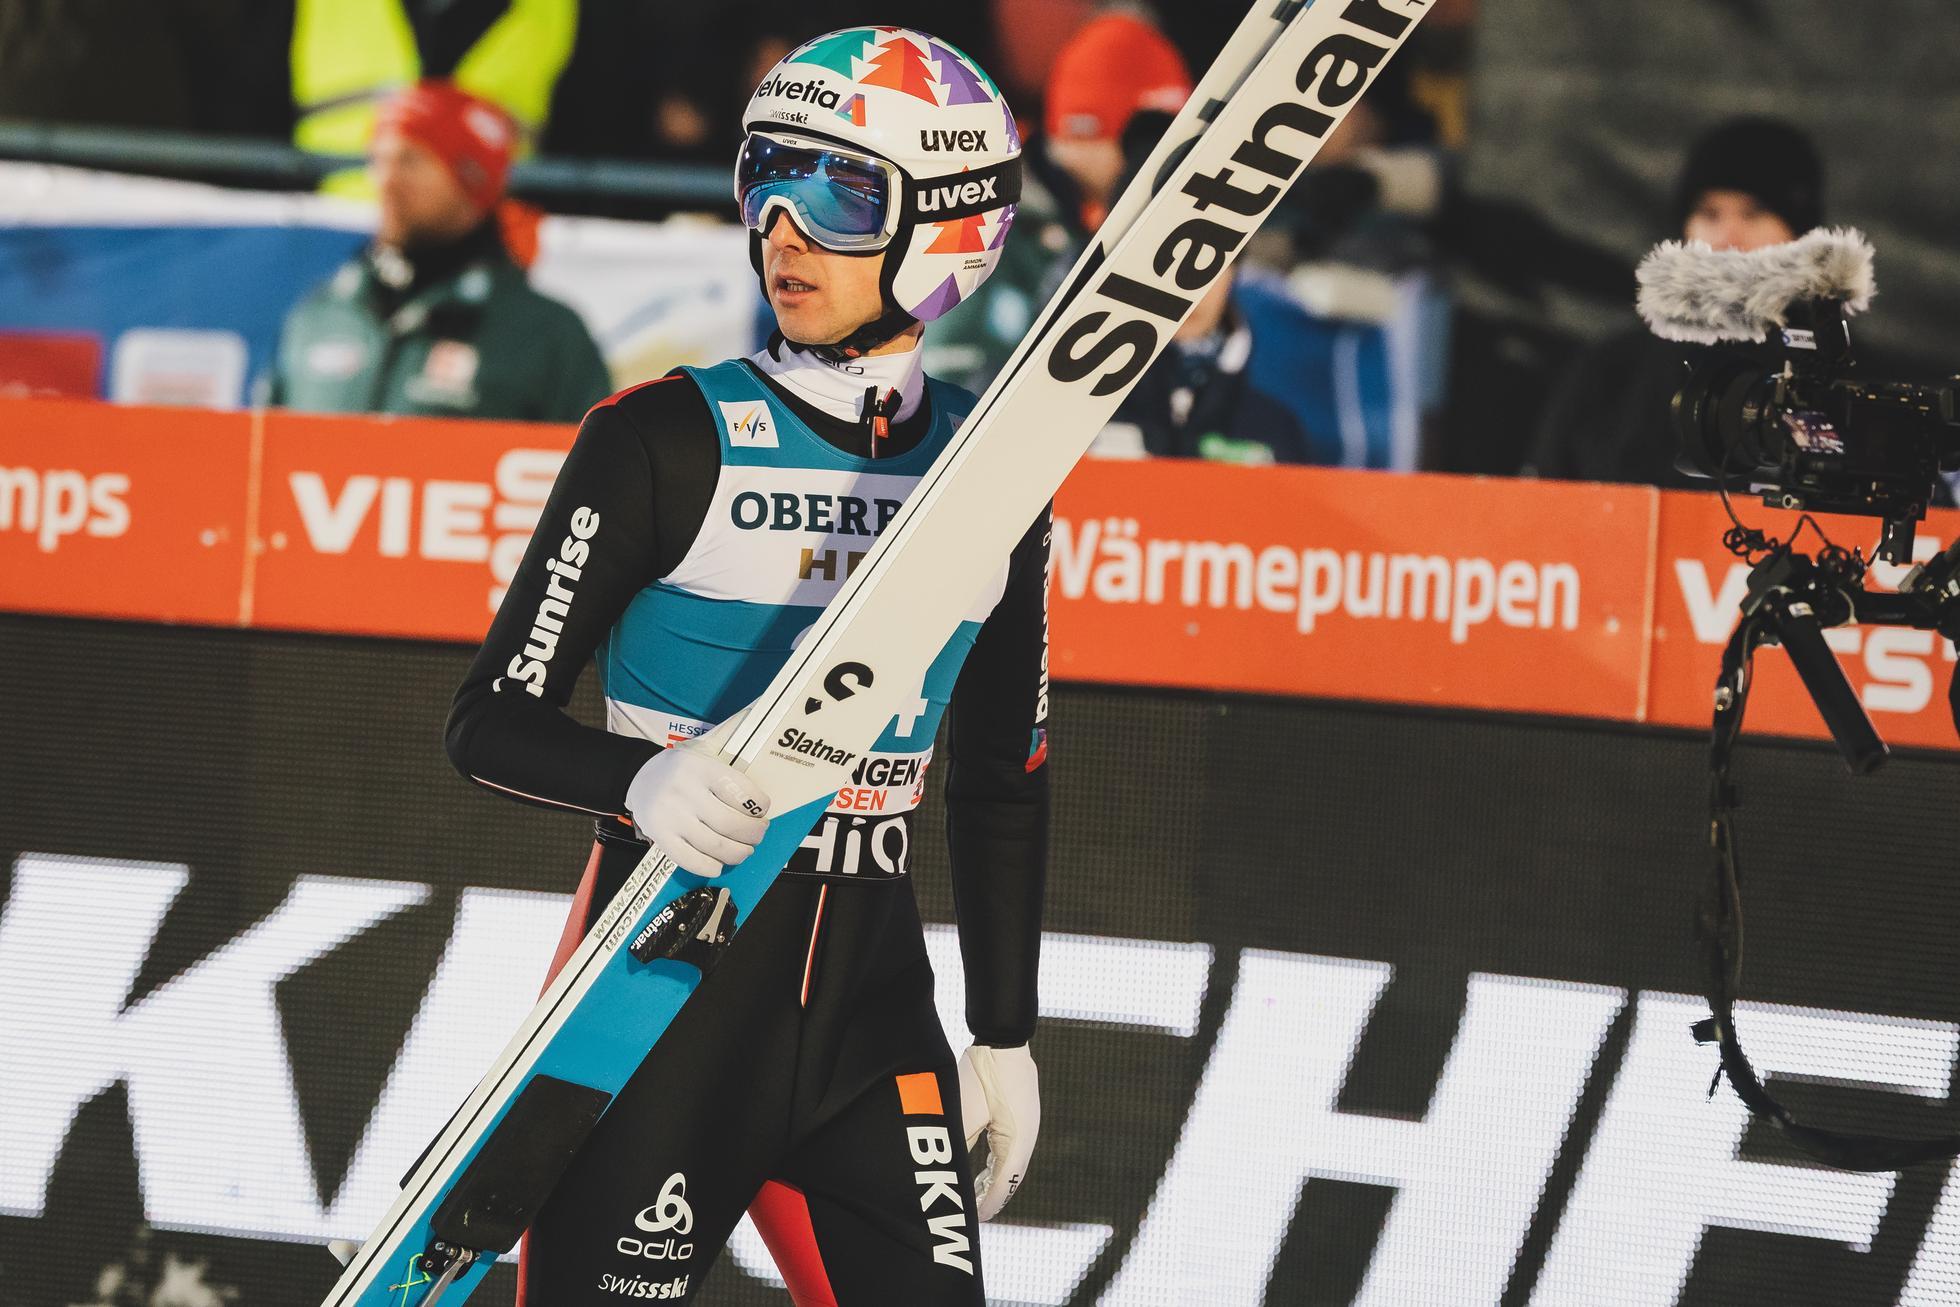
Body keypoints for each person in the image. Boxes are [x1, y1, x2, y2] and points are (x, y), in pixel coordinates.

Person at [443, 28, 1047, 1306]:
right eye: (764, 177)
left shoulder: (994, 472)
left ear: (947, 227)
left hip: (874, 1025)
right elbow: (486, 720)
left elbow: (1003, 775)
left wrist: (1003, 1031)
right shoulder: (664, 438)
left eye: (841, 194)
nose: (783, 229)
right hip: (663, 998)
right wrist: (639, 781)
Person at [266, 79, 611, 423]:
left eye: (410, 160)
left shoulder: (545, 334)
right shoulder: (319, 314)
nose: (386, 180)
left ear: (471, 181)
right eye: (379, 159)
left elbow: (595, 454)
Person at [1526, 117, 1825, 486]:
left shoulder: (1840, 380)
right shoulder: (1612, 373)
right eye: (1709, 213)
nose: (1728, 237)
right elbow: (1546, 499)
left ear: (1800, 234)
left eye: (1754, 213)